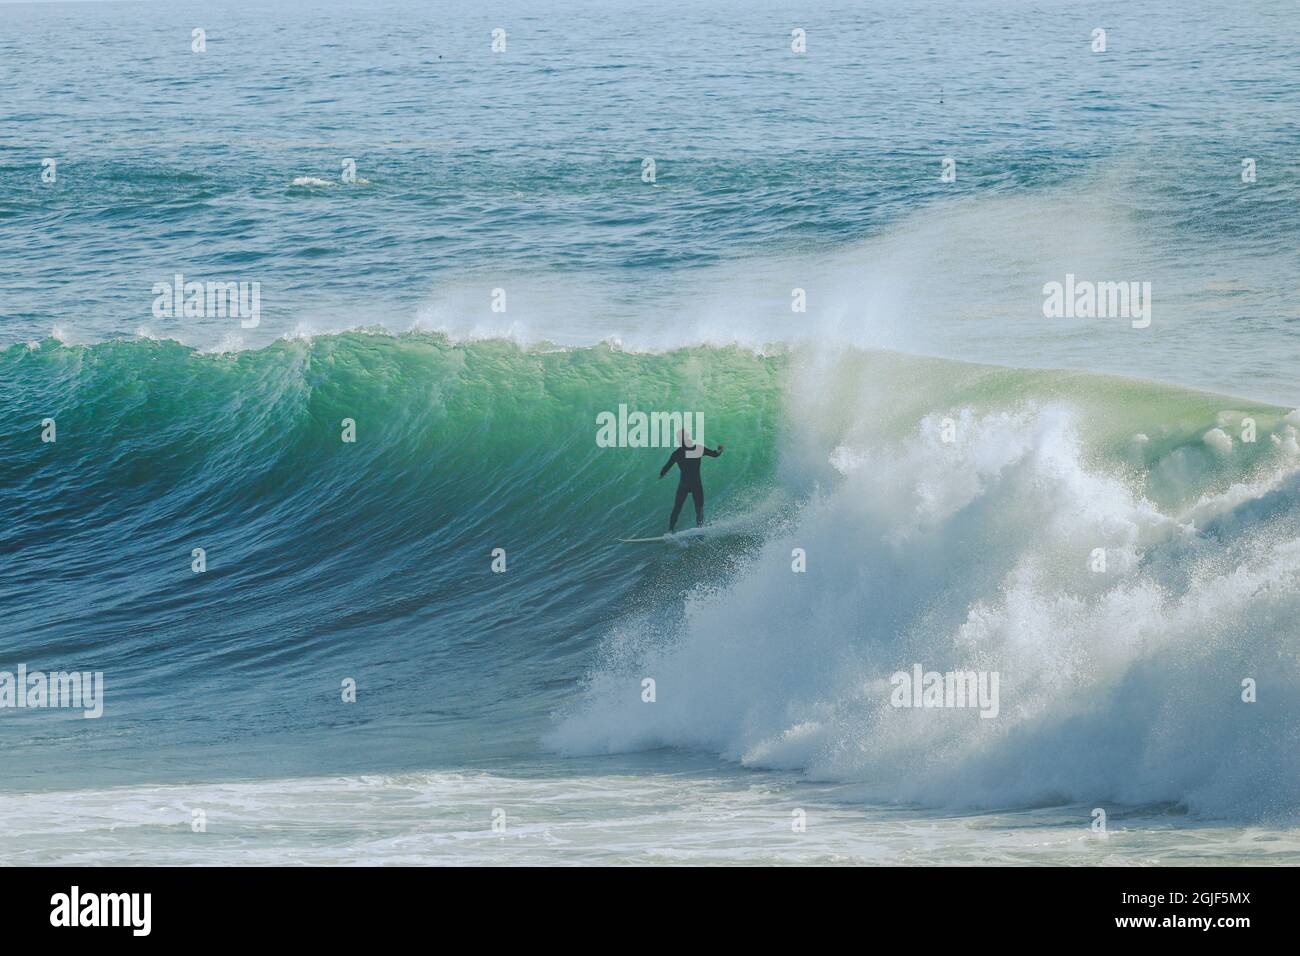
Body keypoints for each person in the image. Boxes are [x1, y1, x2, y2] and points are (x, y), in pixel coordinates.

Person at [658, 430, 724, 532]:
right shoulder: (698, 449)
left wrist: (661, 475)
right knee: (699, 510)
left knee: (677, 508)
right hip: (696, 484)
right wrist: (720, 449)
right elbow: (714, 454)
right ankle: (699, 530)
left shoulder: (677, 453)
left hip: (684, 484)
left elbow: (666, 468)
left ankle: (670, 531)